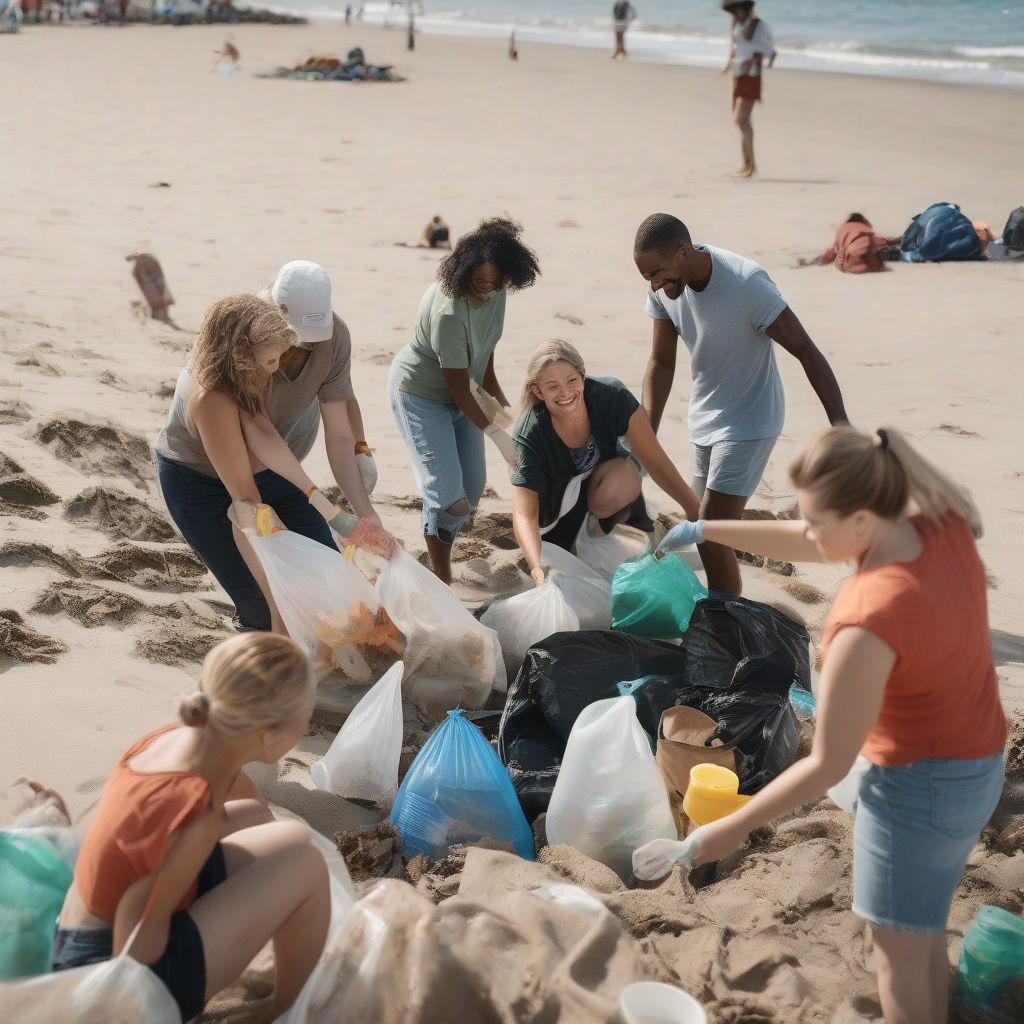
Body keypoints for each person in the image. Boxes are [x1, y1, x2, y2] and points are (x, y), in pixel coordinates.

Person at [646, 425, 1007, 1024]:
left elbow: (827, 765)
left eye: (813, 519)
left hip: (916, 795)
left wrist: (718, 833)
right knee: (922, 932)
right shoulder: (936, 526)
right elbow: (822, 541)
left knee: (896, 958)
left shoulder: (866, 619)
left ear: (861, 520)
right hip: (977, 769)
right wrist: (709, 529)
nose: (807, 533)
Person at [51, 633, 331, 1024]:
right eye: (305, 718)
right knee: (308, 867)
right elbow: (139, 926)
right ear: (266, 736)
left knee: (293, 839)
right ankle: (285, 1014)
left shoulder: (187, 735)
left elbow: (252, 812)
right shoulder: (194, 821)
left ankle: (284, 1002)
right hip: (104, 962)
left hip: (91, 917)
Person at [634, 212, 849, 595]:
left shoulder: (747, 284)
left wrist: (840, 423)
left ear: (683, 252)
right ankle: (724, 604)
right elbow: (661, 362)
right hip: (704, 418)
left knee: (711, 530)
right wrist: (645, 429)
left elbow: (806, 350)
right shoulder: (663, 288)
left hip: (751, 419)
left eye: (657, 272)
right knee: (704, 527)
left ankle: (727, 623)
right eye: (646, 277)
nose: (653, 283)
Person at [156, 277, 385, 633]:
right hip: (201, 484)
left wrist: (333, 512)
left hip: (256, 481)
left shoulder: (245, 374)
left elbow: (266, 439)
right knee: (266, 610)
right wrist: (280, 614)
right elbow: (246, 509)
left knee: (324, 583)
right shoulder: (213, 399)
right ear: (243, 353)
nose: (276, 370)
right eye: (271, 361)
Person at [389, 216, 541, 584]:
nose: (487, 289)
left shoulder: (498, 289)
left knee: (469, 494)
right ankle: (441, 577)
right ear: (464, 273)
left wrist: (506, 414)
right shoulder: (450, 314)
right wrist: (498, 436)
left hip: (465, 393)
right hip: (422, 395)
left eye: (495, 282)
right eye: (480, 283)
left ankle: (442, 545)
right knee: (447, 498)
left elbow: (485, 355)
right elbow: (456, 386)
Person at [511, 340, 701, 585]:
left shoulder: (611, 396)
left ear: (582, 375)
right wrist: (536, 566)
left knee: (625, 477)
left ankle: (609, 527)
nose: (566, 393)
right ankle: (581, 540)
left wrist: (697, 513)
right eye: (552, 386)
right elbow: (524, 515)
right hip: (557, 513)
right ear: (538, 392)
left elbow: (658, 464)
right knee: (562, 577)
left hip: (607, 489)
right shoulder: (529, 434)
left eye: (572, 380)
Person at [721, 1, 775, 177]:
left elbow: (768, 50)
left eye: (739, 8)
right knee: (742, 120)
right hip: (738, 74)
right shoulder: (737, 23)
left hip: (751, 75)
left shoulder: (759, 25)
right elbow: (737, 47)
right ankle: (746, 164)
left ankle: (751, 165)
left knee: (741, 119)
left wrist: (754, 62)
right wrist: (729, 64)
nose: (737, 12)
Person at [816, 213, 899, 274]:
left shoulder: (843, 230)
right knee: (881, 254)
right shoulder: (866, 228)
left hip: (856, 251)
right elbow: (885, 241)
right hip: (877, 246)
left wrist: (821, 260)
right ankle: (874, 260)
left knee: (855, 260)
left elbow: (833, 252)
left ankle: (866, 261)